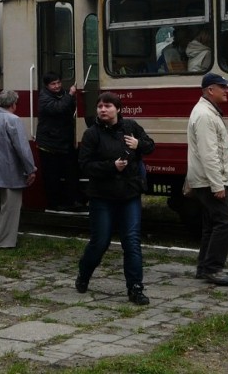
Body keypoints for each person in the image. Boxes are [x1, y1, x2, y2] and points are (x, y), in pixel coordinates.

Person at [75, 92, 155, 305]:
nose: (102, 109)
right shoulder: (92, 134)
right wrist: (111, 167)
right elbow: (84, 164)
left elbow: (150, 145)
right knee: (100, 241)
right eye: (99, 106)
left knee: (131, 241)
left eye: (107, 106)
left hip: (129, 194)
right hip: (102, 196)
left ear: (118, 109)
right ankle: (84, 274)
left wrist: (139, 145)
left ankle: (135, 288)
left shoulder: (131, 127)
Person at [186, 72, 228, 286]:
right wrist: (217, 185)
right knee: (227, 220)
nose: (227, 90)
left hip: (206, 179)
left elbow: (211, 146)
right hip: (209, 181)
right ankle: (213, 268)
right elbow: (208, 154)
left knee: (211, 224)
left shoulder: (207, 112)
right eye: (222, 87)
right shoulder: (206, 115)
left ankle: (203, 268)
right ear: (210, 90)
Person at [0, 90, 37, 249]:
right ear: (13, 104)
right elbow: (22, 147)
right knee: (9, 207)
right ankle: (4, 241)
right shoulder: (12, 120)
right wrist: (30, 169)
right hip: (8, 171)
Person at [36, 71, 82, 211]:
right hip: (49, 144)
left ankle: (72, 201)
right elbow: (58, 108)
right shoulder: (44, 98)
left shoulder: (61, 94)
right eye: (53, 84)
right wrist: (71, 95)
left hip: (63, 141)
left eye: (58, 83)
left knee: (70, 172)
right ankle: (54, 203)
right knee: (52, 176)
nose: (56, 86)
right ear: (46, 85)